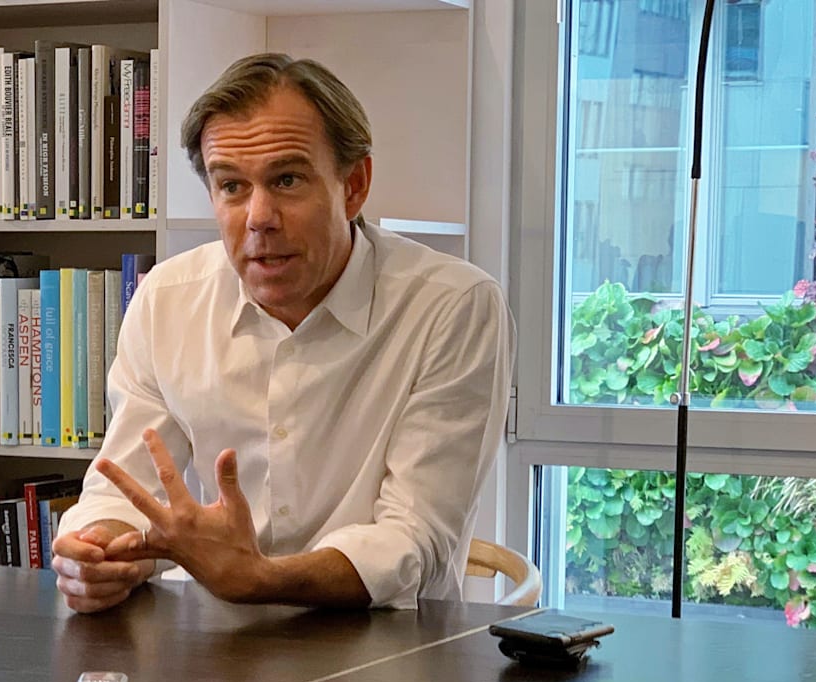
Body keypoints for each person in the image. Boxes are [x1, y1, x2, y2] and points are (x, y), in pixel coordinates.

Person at [51, 53, 514, 613]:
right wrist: (99, 553)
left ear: (354, 185)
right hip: (212, 646)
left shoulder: (452, 306)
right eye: (231, 186)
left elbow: (415, 540)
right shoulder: (166, 299)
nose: (259, 217)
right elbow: (125, 488)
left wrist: (259, 579)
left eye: (287, 180)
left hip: (386, 642)